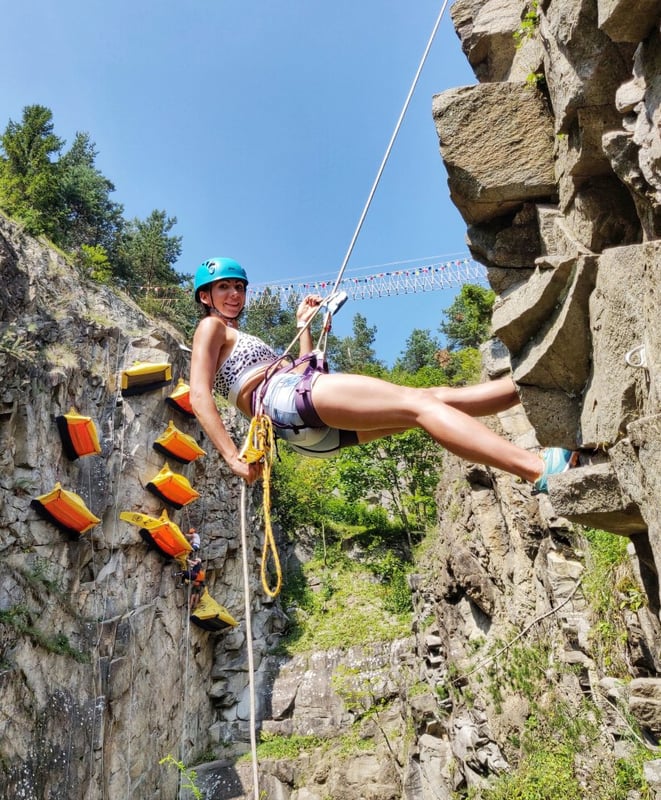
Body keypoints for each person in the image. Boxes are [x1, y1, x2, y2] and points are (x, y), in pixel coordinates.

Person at [188, 257, 577, 493]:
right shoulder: (211, 328)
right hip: (283, 403)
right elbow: (199, 395)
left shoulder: (242, 340)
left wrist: (303, 326)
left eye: (239, 287)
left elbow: (302, 372)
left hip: (301, 427)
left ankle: (529, 385)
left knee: (432, 402)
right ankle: (539, 469)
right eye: (224, 287)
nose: (235, 294)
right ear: (206, 297)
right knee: (420, 404)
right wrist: (233, 457)